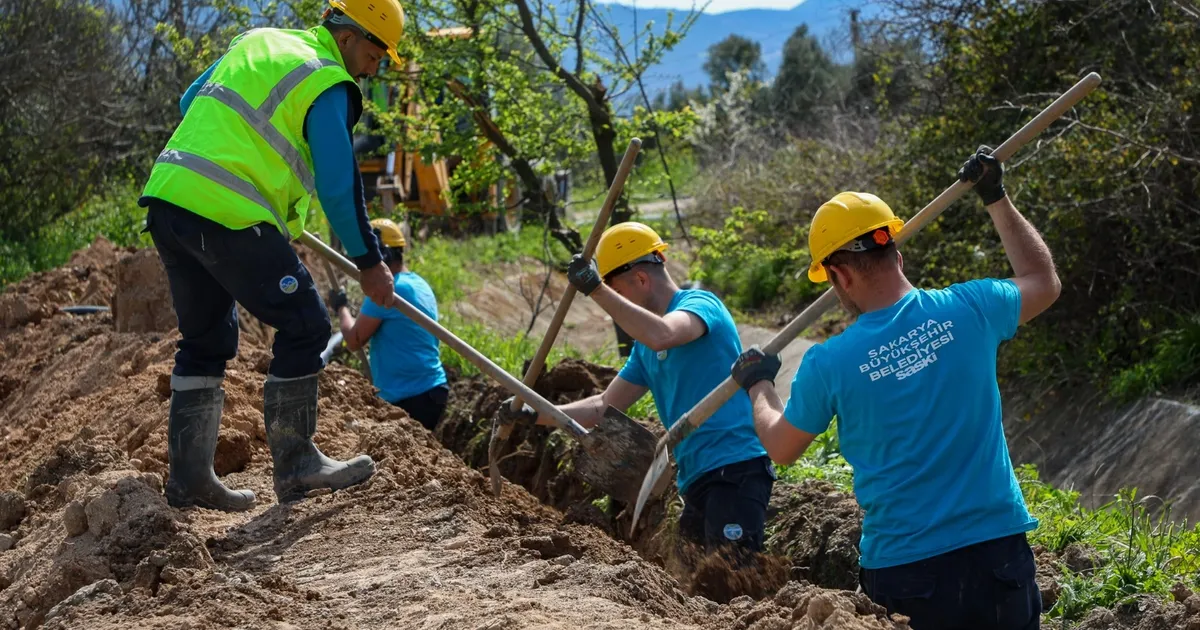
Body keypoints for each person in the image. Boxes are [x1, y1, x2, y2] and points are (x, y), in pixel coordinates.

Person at [729, 147, 1060, 629]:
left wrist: (758, 383)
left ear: (839, 275)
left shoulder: (829, 362)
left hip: (907, 572)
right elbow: (1043, 281)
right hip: (997, 555)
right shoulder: (972, 307)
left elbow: (781, 447)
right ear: (897, 255)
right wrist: (997, 197)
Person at [137, 0, 408, 512]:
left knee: (206, 340)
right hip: (226, 212)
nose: (373, 70)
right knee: (306, 324)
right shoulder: (327, 80)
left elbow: (190, 100)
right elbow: (339, 185)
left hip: (169, 199)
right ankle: (297, 464)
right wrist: (370, 263)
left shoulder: (259, 39)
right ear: (348, 37)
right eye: (374, 56)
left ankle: (190, 481)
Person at [504, 222, 774, 556]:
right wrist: (533, 412)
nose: (617, 308)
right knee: (700, 580)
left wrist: (596, 289)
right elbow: (604, 408)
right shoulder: (644, 349)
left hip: (736, 468)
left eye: (618, 294)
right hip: (696, 478)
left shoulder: (701, 305)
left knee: (733, 573)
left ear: (642, 279)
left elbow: (664, 334)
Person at [331, 218, 449, 430]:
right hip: (430, 390)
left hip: (410, 396)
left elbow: (354, 339)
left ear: (382, 255)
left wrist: (341, 307)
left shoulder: (390, 290)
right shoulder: (417, 283)